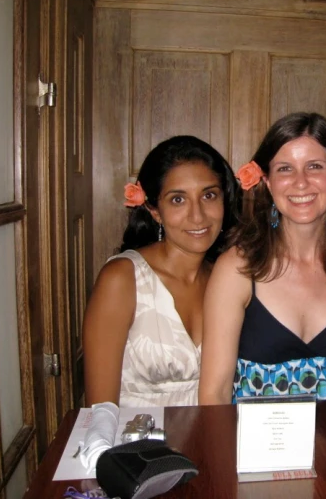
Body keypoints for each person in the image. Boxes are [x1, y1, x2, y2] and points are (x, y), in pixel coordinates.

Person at [199, 112, 326, 404]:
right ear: (266, 181)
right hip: (255, 446)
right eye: (285, 169)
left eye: (314, 166)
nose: (300, 183)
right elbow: (214, 394)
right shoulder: (236, 268)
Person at [83, 136, 240, 407]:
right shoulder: (122, 279)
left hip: (210, 441)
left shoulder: (227, 278)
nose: (198, 215)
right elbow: (100, 411)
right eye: (178, 199)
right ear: (154, 210)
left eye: (209, 195)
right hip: (136, 445)